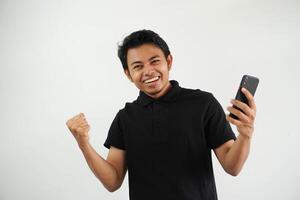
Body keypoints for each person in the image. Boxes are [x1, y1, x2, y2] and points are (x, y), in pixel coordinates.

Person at [66, 29, 257, 200]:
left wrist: (245, 134)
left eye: (155, 61)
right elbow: (113, 181)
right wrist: (84, 144)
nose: (148, 71)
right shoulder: (125, 118)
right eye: (138, 66)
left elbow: (232, 167)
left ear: (169, 61)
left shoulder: (202, 103)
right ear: (128, 74)